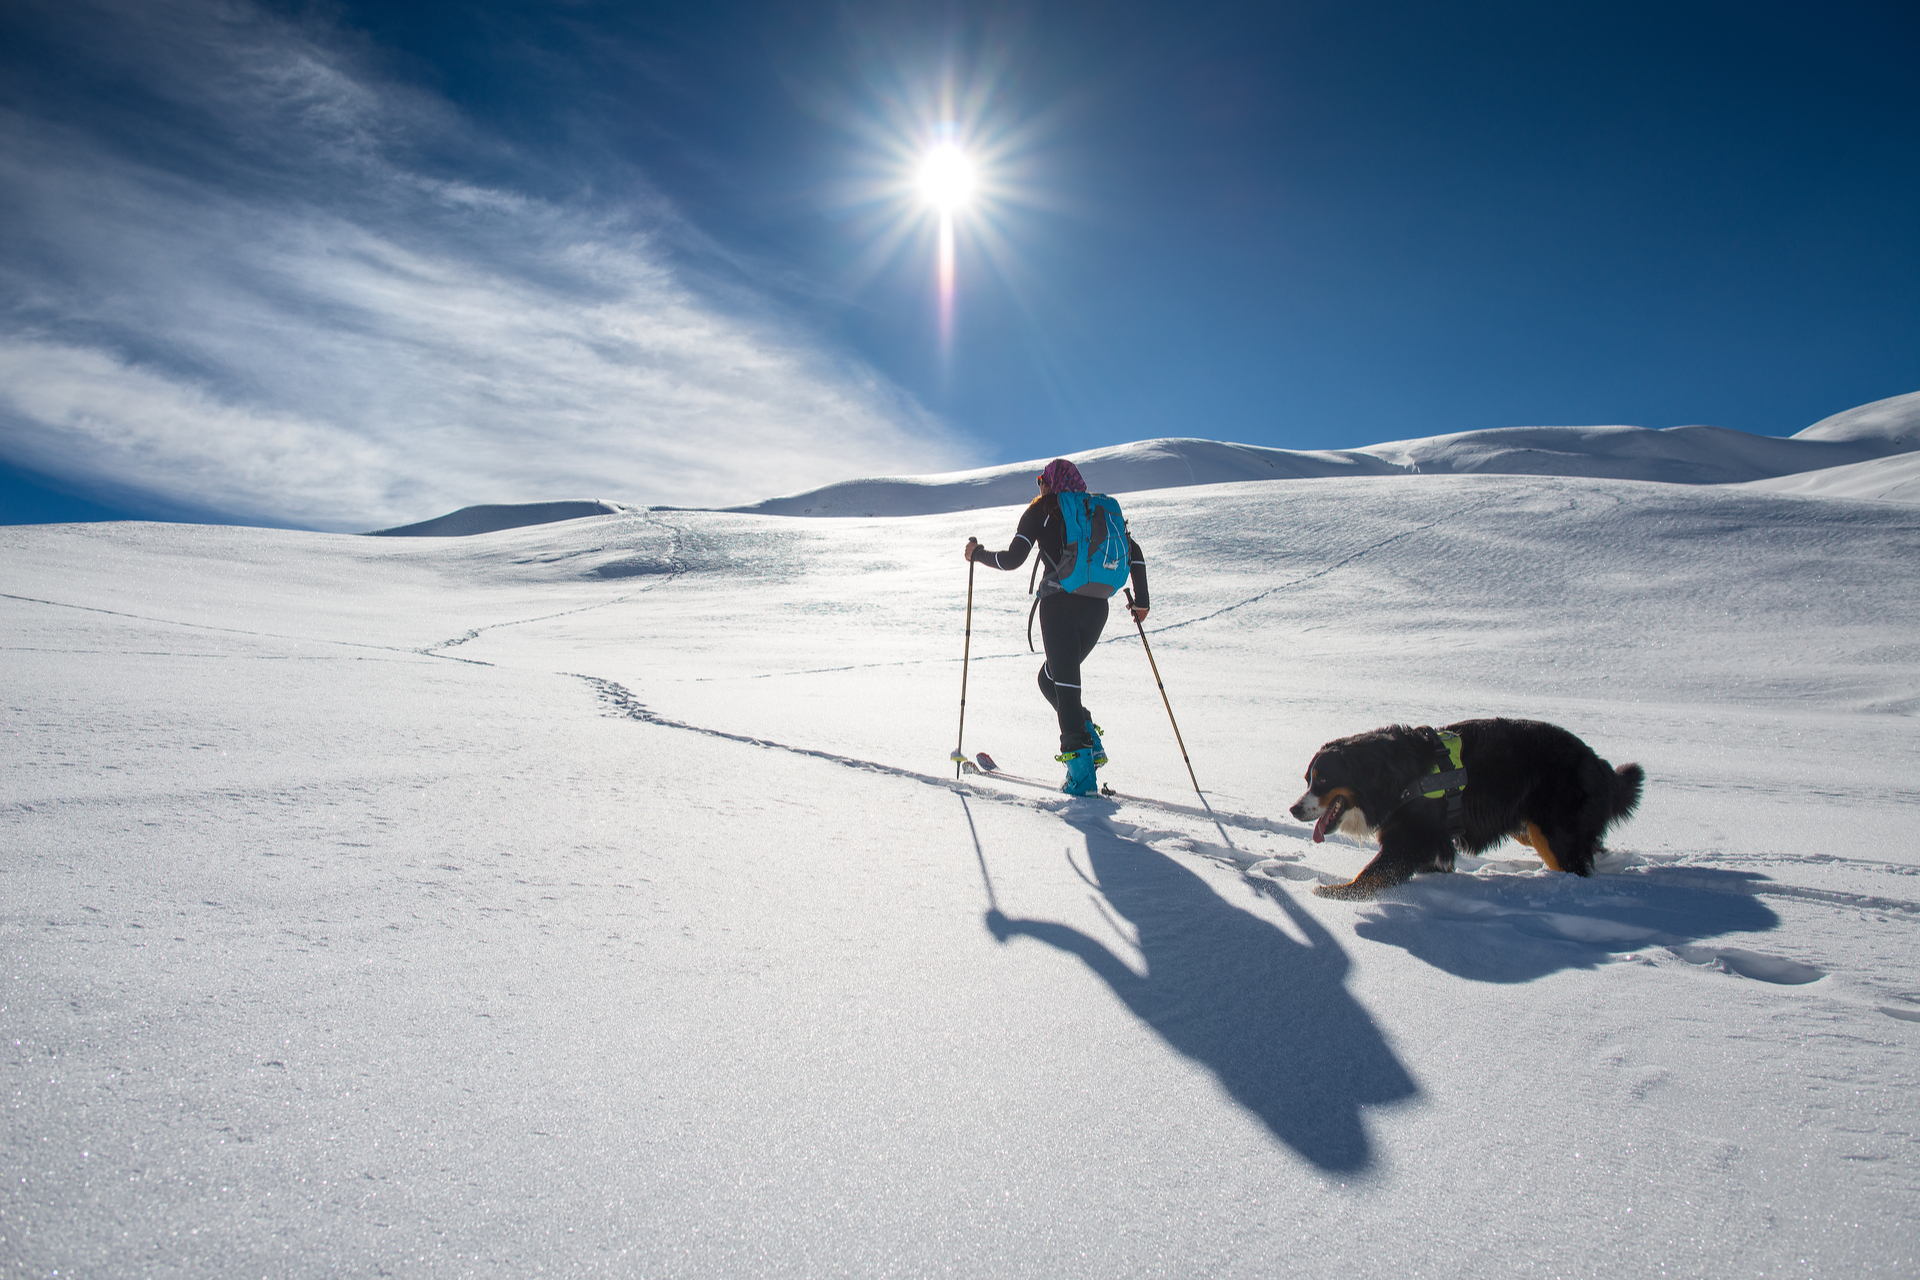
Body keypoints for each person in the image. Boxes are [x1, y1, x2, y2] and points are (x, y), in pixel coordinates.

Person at [964, 458, 1149, 796]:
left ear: (1049, 483)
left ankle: (1081, 778)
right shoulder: (1096, 511)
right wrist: (1142, 601)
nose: (1040, 488)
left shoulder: (1041, 510)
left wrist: (977, 554)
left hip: (1059, 606)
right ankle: (1087, 733)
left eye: (1041, 482)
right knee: (1050, 678)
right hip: (1097, 609)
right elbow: (1132, 550)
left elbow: (1012, 560)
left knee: (1065, 686)